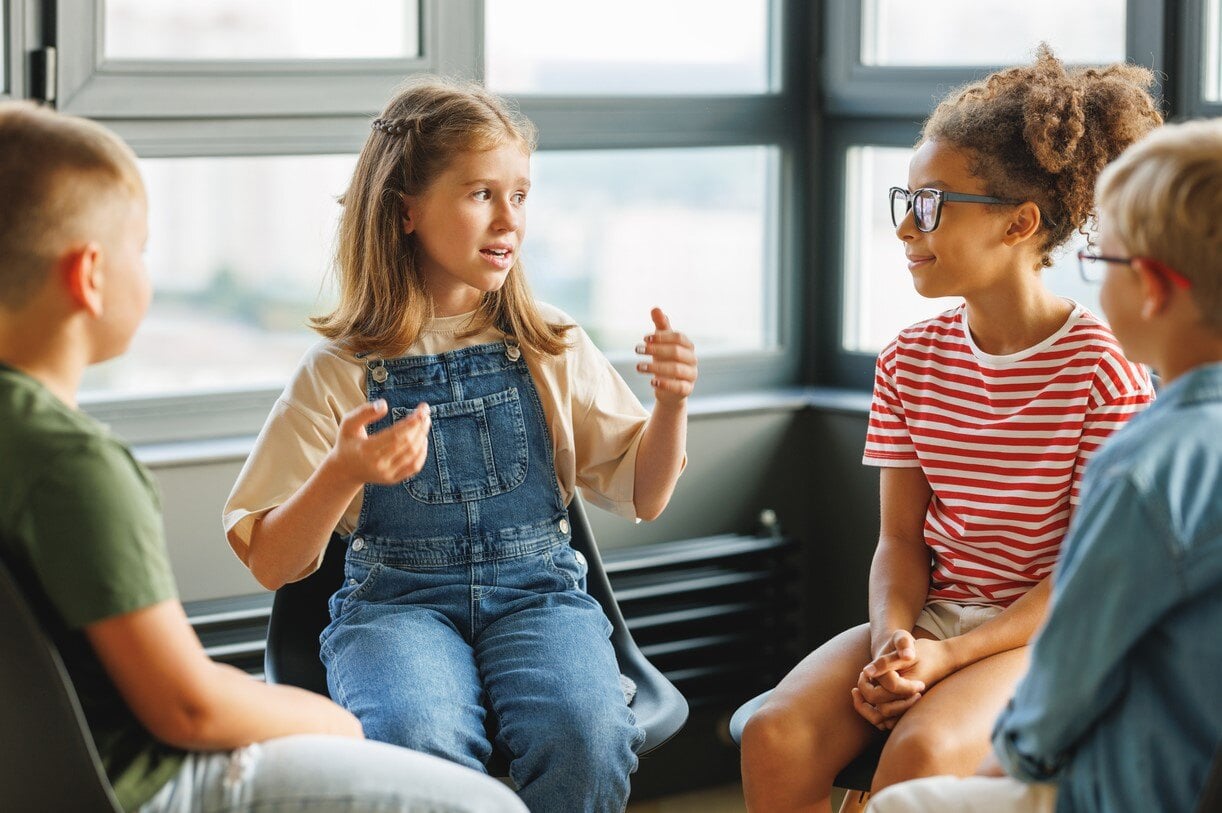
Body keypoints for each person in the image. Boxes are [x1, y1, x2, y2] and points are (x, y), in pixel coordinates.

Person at [0, 101, 527, 813]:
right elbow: (186, 708)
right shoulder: (70, 467)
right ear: (89, 275)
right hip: (141, 783)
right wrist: (335, 724)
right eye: (142, 248)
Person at [223, 76, 696, 813]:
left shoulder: (550, 342)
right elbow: (273, 561)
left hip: (538, 597)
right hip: (395, 608)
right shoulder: (338, 370)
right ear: (405, 209)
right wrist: (343, 472)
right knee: (415, 739)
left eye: (521, 195)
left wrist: (671, 406)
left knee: (588, 732)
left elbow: (647, 492)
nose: (508, 218)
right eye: (480, 193)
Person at [740, 46, 1163, 811]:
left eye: (932, 204)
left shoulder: (1104, 370)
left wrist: (946, 657)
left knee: (922, 755)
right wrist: (891, 646)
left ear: (1020, 224)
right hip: (932, 619)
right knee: (774, 732)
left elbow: (1083, 576)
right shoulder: (908, 359)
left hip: (1048, 635)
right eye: (904, 200)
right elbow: (900, 542)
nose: (907, 227)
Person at [866, 115, 1222, 813]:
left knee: (903, 801)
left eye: (1102, 262)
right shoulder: (910, 358)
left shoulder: (1141, 462)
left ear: (1149, 286)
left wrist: (1011, 763)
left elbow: (1073, 663)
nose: (909, 228)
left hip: (1130, 782)